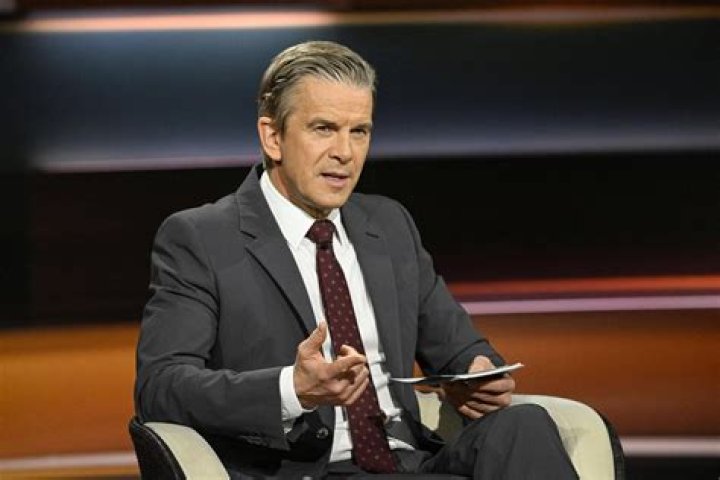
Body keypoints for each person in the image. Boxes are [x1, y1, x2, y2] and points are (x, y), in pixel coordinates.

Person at [135, 40, 577, 479]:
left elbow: (460, 348)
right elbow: (161, 387)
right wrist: (293, 389)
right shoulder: (202, 238)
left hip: (410, 462)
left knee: (525, 425)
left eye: (359, 131)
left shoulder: (389, 224)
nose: (345, 153)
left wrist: (478, 373)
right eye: (323, 129)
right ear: (273, 137)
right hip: (306, 470)